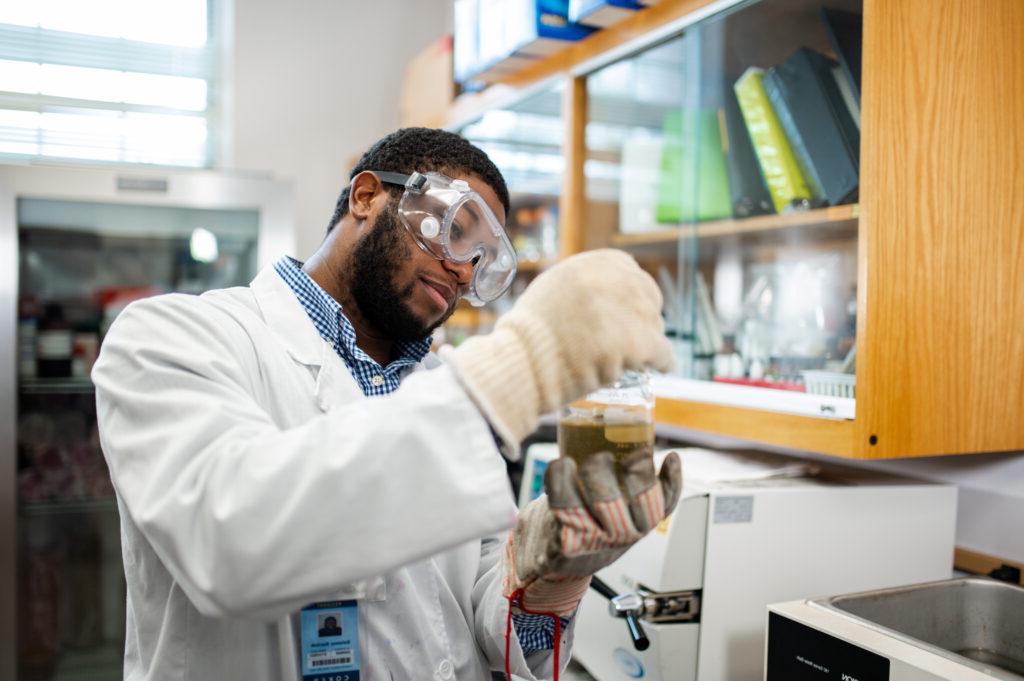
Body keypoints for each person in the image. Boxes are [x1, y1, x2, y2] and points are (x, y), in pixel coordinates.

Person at [93, 127, 681, 681]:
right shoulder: (171, 336)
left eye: (482, 262)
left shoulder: (438, 387)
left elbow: (476, 607)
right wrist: (521, 367)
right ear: (367, 196)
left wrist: (548, 580)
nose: (460, 268)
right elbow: (226, 541)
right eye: (455, 230)